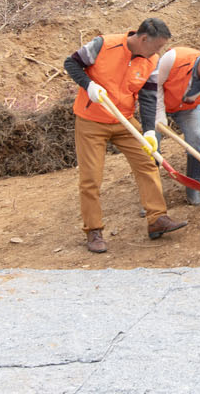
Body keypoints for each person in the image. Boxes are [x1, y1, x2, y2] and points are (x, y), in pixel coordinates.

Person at [63, 18, 182, 254]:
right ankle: (93, 230)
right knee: (91, 178)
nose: (158, 52)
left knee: (147, 163)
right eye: (157, 46)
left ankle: (157, 218)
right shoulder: (103, 45)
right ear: (143, 39)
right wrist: (88, 85)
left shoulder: (152, 61)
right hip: (91, 120)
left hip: (124, 121)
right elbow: (71, 63)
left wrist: (149, 130)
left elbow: (148, 96)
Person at [142, 43, 200, 208]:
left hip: (188, 107)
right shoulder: (175, 58)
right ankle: (150, 199)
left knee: (197, 138)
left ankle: (193, 191)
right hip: (159, 100)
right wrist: (159, 116)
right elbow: (154, 85)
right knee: (152, 147)